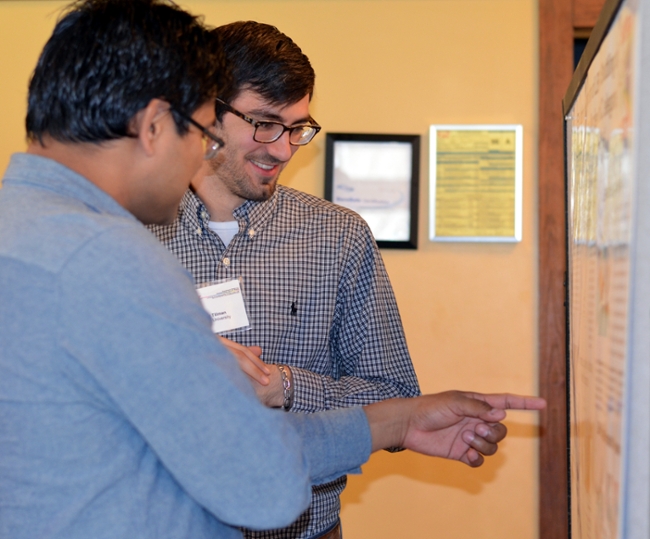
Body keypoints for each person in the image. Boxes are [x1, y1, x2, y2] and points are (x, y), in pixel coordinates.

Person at [0, 2, 546, 538]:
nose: (200, 151)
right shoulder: (110, 256)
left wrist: (390, 418)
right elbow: (262, 481)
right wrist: (214, 374)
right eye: (202, 130)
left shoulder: (26, 233)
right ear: (152, 126)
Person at [148, 21, 421, 539]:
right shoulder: (128, 231)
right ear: (205, 110)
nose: (283, 149)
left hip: (305, 530)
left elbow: (396, 399)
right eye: (265, 123)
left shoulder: (338, 237)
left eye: (298, 128)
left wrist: (285, 388)